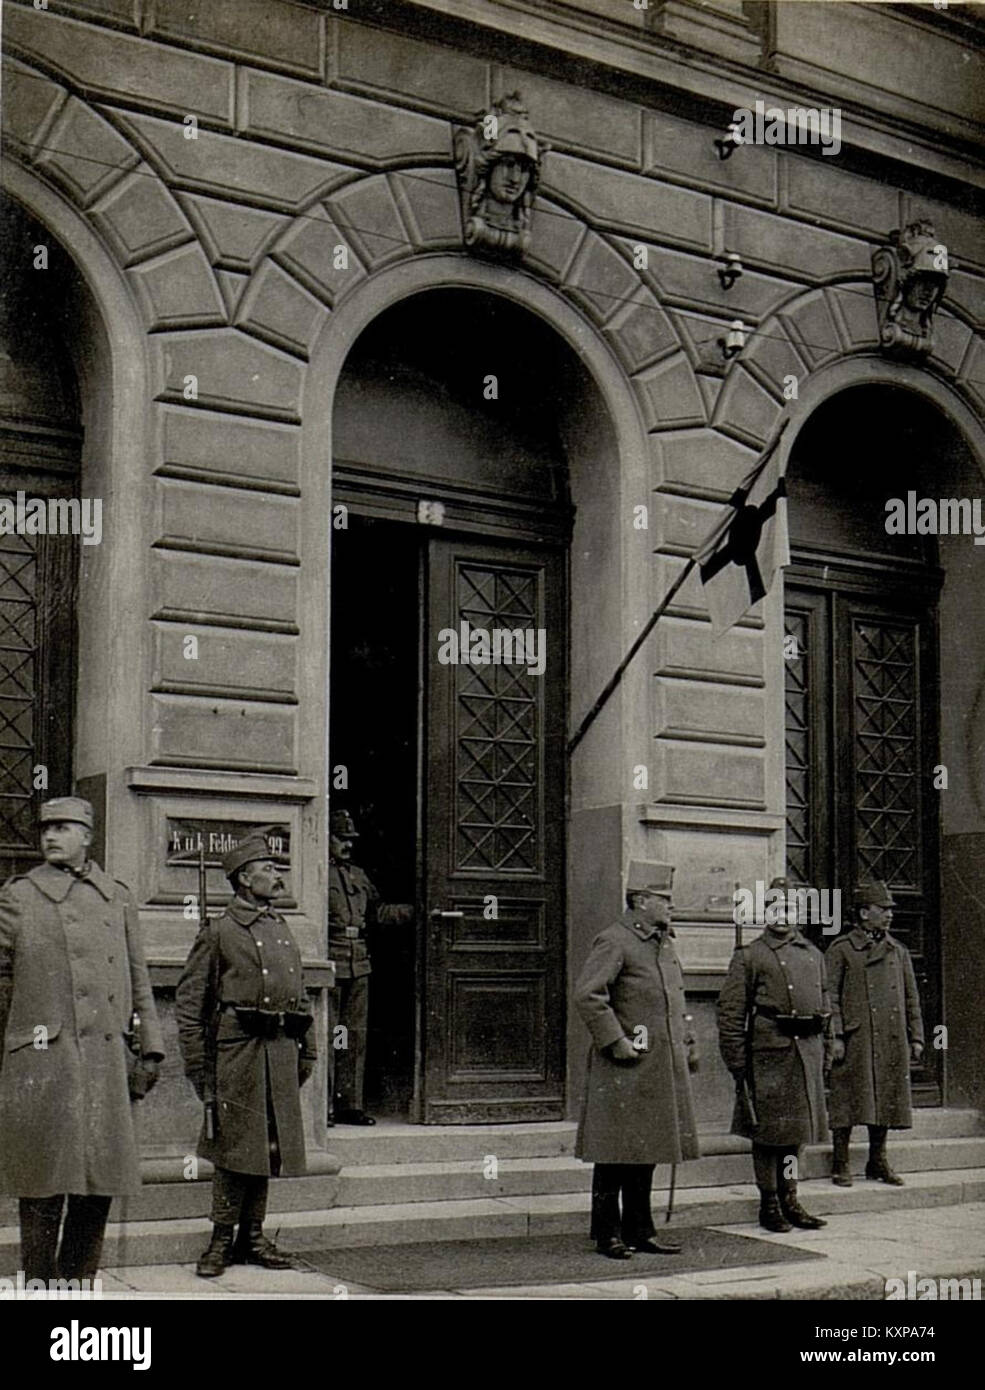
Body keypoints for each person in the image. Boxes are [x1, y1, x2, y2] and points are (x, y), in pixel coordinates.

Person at [0, 797, 164, 1282]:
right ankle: (39, 1292)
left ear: (88, 836)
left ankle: (76, 1291)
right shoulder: (19, 896)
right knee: (43, 1187)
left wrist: (150, 1048)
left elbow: (139, 977)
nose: (50, 835)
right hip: (44, 1064)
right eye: (46, 827)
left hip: (106, 1062)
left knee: (97, 1189)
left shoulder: (117, 895)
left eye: (63, 827)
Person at [176, 835, 316, 1278]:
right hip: (236, 1054)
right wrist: (200, 1068)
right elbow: (190, 1004)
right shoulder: (219, 932)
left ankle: (253, 1237)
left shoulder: (280, 925)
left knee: (268, 1146)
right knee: (234, 1147)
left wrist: (307, 1047)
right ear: (243, 878)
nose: (277, 876)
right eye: (268, 869)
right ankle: (220, 1240)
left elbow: (300, 991)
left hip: (278, 1050)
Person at [574, 861, 699, 1259]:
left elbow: (674, 999)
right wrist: (615, 1040)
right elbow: (589, 995)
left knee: (647, 1151)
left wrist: (689, 1040)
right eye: (665, 899)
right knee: (614, 1153)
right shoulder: (615, 940)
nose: (671, 907)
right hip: (624, 1066)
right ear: (640, 900)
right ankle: (607, 1232)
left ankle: (641, 1229)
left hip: (658, 1064)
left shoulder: (662, 942)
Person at [717, 877, 833, 1233]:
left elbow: (827, 1003)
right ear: (765, 912)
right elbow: (731, 1013)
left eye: (791, 908)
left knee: (796, 1134)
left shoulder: (813, 955)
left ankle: (790, 1197)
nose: (783, 915)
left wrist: (826, 1051)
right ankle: (769, 1202)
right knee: (767, 1134)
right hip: (769, 1052)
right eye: (776, 907)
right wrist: (737, 1062)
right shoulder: (750, 956)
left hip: (806, 1052)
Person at [826, 880, 925, 1187]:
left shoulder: (898, 951)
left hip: (890, 1036)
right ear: (863, 912)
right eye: (882, 909)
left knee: (885, 1097)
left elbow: (911, 997)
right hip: (856, 1037)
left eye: (890, 910)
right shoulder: (841, 949)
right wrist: (837, 1036)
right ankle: (840, 1161)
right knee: (847, 1098)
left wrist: (917, 1036)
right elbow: (830, 995)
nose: (889, 915)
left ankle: (877, 1160)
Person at [327, 809, 412, 1126]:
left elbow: (378, 912)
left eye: (350, 839)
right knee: (331, 1035)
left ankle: (349, 1104)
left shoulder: (358, 876)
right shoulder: (319, 874)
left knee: (353, 1037)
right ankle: (326, 1107)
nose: (347, 845)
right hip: (332, 961)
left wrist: (413, 911)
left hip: (359, 963)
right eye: (341, 838)